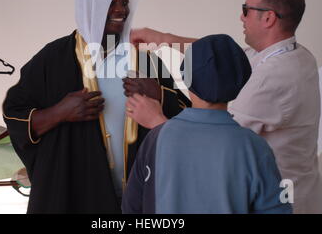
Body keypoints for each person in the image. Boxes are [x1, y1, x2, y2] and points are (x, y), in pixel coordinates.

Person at [127, 0, 322, 213]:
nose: (241, 16)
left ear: (269, 18)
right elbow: (225, 58)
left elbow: (212, 144)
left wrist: (156, 122)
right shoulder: (296, 54)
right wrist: (164, 39)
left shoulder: (271, 79)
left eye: (246, 10)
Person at [2, 0, 190, 213]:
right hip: (77, 193)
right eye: (111, 3)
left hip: (143, 193)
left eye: (124, 2)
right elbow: (14, 114)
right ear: (90, 5)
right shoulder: (53, 59)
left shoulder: (145, 61)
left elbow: (191, 116)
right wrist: (60, 112)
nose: (121, 10)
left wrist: (160, 95)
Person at [122, 34, 292, 214]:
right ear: (241, 82)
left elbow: (131, 206)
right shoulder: (255, 147)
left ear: (185, 78)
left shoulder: (156, 138)